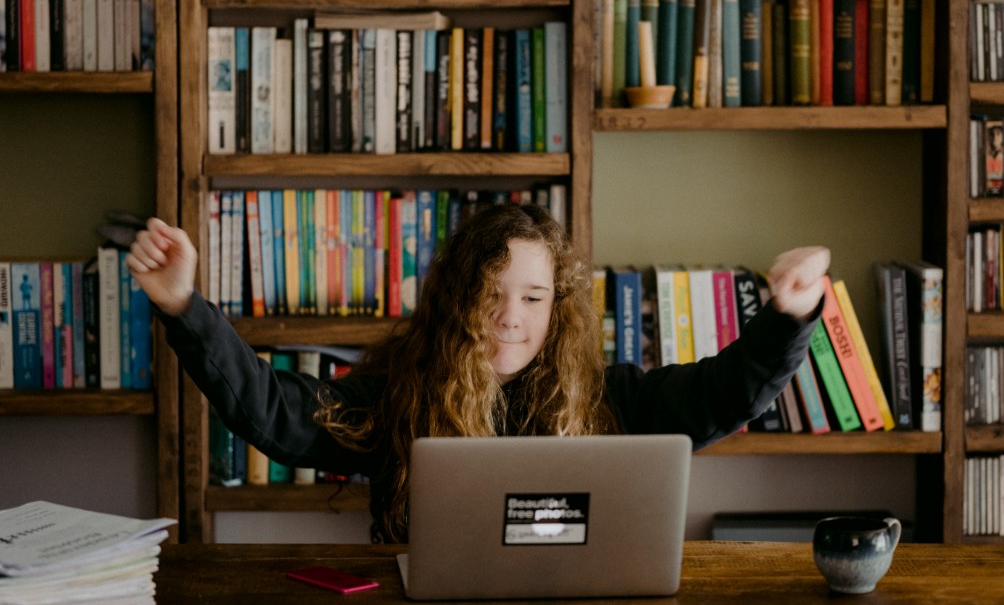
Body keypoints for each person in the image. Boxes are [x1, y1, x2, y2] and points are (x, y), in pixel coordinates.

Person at [128, 203, 829, 543]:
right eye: (489, 293)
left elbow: (718, 396)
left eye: (532, 297)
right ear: (458, 297)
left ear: (557, 307)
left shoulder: (610, 397)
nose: (509, 317)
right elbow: (276, 413)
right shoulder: (401, 394)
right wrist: (185, 307)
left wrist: (788, 317)